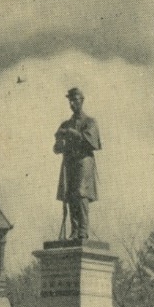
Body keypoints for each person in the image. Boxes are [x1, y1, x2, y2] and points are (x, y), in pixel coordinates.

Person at [53, 87, 100, 241]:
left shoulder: (90, 122)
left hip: (83, 161)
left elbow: (92, 142)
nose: (72, 103)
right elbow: (57, 148)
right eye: (70, 101)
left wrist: (73, 133)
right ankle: (74, 230)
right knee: (71, 194)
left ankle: (83, 230)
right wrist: (60, 139)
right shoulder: (66, 123)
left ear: (82, 100)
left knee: (81, 193)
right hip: (70, 162)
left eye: (75, 100)